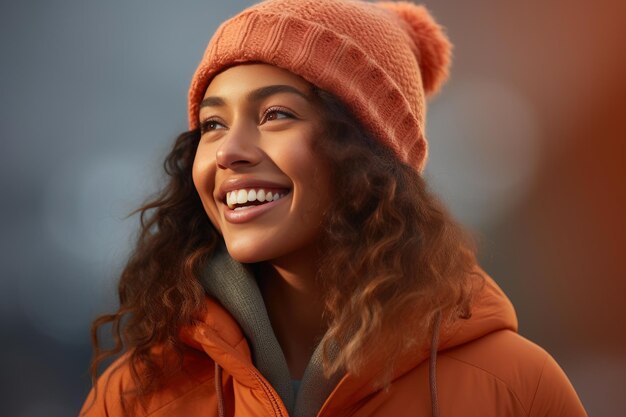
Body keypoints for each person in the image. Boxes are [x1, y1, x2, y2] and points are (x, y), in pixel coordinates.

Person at [80, 1, 587, 416]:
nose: (228, 151)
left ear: (367, 154)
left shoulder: (517, 389)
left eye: (275, 114)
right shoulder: (133, 396)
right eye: (212, 125)